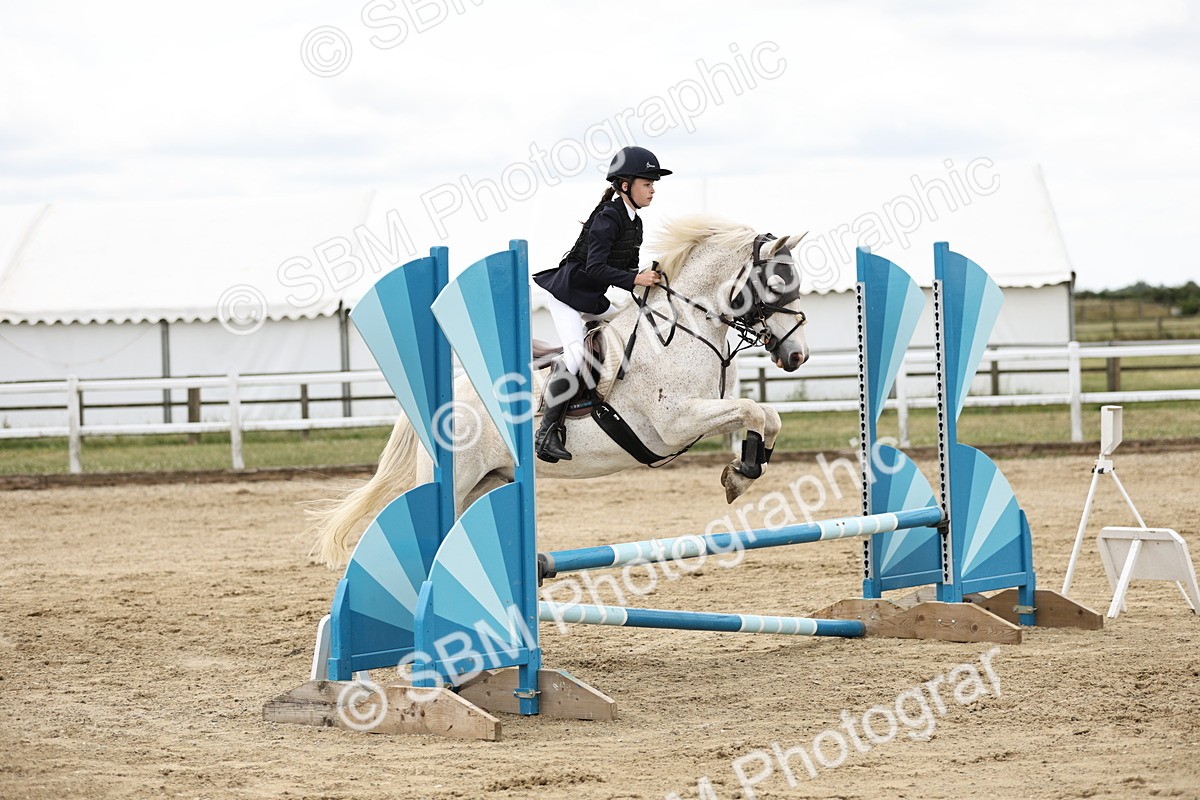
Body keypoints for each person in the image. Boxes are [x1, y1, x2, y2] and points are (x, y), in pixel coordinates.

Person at [531, 145, 671, 463]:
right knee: (577, 355)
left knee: (629, 322)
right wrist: (636, 279)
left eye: (653, 185)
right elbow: (595, 268)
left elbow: (625, 270)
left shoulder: (634, 222)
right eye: (647, 183)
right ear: (625, 185)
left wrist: (647, 284)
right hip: (567, 296)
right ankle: (547, 432)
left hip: (592, 299)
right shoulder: (608, 218)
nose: (652, 190)